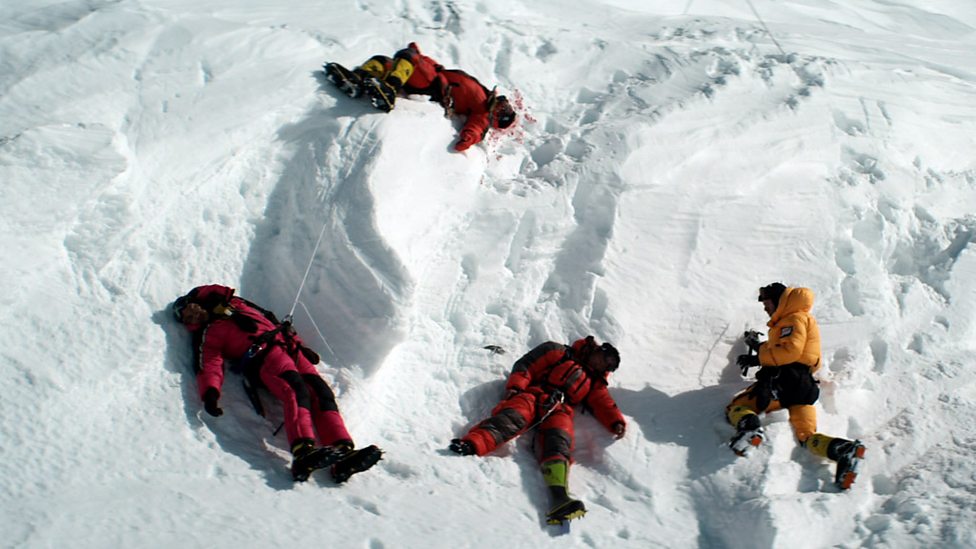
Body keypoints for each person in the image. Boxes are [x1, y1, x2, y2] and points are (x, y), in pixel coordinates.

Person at [172, 284, 382, 483]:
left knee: (322, 393)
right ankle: (302, 452)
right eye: (187, 318)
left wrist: (300, 345)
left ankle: (342, 451)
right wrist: (210, 392)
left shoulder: (236, 304)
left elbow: (272, 323)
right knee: (295, 391)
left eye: (190, 309)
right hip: (264, 357)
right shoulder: (209, 333)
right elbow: (209, 364)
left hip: (289, 348)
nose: (193, 315)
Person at [449, 336, 626, 525]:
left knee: (560, 438)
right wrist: (516, 387)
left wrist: (616, 422)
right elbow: (526, 365)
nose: (603, 365)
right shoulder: (559, 351)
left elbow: (604, 403)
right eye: (605, 358)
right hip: (535, 394)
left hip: (560, 408)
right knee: (513, 417)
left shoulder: (594, 383)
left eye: (609, 366)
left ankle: (559, 496)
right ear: (598, 350)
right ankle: (471, 444)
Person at [728, 282, 866, 490]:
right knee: (806, 435)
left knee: (737, 407)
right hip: (804, 386)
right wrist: (757, 348)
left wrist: (759, 359)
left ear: (779, 300)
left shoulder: (793, 318)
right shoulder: (798, 319)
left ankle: (750, 430)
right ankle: (842, 451)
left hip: (785, 382)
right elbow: (788, 350)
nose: (765, 308)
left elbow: (789, 351)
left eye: (767, 303)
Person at [323, 42, 517, 152]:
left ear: (497, 118)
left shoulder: (483, 111)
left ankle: (389, 90)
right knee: (384, 61)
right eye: (507, 106)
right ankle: (357, 80)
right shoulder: (483, 92)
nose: (504, 106)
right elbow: (440, 69)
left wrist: (467, 138)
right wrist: (421, 55)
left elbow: (476, 128)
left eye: (505, 112)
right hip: (432, 76)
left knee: (409, 58)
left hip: (436, 89)